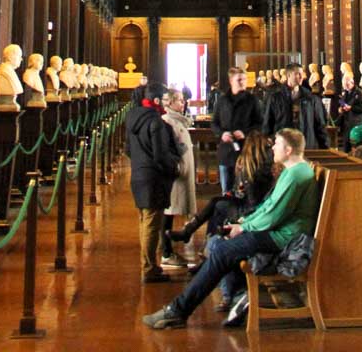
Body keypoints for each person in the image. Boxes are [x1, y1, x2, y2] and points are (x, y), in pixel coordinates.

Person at [143, 128, 320, 329]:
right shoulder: (294, 171)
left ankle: (178, 310)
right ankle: (235, 298)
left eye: (277, 144)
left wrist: (244, 228)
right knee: (222, 246)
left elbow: (273, 215)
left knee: (222, 251)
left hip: (284, 238)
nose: (272, 149)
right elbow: (268, 206)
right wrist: (244, 223)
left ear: (288, 150)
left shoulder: (296, 175)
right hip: (277, 233)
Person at [126, 81, 181, 282]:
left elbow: (128, 150)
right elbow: (161, 154)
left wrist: (141, 162)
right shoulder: (156, 122)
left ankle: (150, 266)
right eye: (165, 99)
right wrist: (174, 166)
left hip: (138, 175)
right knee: (151, 225)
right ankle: (149, 269)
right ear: (157, 100)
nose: (167, 103)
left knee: (145, 222)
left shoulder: (133, 117)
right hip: (154, 179)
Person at [212, 66, 264, 192]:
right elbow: (214, 123)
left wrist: (245, 133)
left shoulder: (253, 100)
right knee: (227, 190)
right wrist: (222, 134)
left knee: (246, 189)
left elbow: (260, 124)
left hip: (246, 151)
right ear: (231, 81)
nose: (243, 82)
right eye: (239, 80)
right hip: (227, 151)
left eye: (244, 79)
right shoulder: (222, 100)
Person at [161, 89, 197, 269]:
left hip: (181, 172)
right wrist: (177, 167)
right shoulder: (167, 121)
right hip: (175, 174)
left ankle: (167, 250)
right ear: (171, 102)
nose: (183, 103)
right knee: (168, 212)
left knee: (171, 211)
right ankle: (166, 252)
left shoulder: (178, 121)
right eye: (180, 101)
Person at [262, 63, 330, 149]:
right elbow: (267, 123)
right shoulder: (275, 98)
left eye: (302, 73)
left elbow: (320, 124)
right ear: (288, 75)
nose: (302, 77)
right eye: (298, 74)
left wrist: (325, 146)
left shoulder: (311, 98)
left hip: (306, 145)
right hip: (284, 146)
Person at [335, 70, 362, 152]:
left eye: (347, 84)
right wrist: (341, 108)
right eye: (344, 85)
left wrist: (351, 108)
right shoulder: (346, 92)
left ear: (352, 82)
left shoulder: (359, 93)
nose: (346, 87)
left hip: (356, 123)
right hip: (346, 123)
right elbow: (343, 103)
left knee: (355, 147)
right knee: (346, 147)